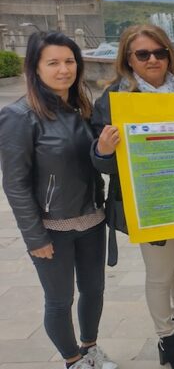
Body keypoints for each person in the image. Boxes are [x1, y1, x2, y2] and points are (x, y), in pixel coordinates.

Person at [91, 24, 174, 369]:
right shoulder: (114, 101)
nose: (153, 59)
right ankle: (166, 337)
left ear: (169, 55)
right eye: (143, 54)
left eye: (160, 52)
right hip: (149, 201)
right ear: (128, 60)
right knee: (160, 272)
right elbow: (99, 159)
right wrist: (104, 150)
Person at [0, 31, 117, 369]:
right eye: (53, 62)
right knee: (59, 300)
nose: (64, 69)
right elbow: (15, 184)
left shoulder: (80, 108)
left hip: (91, 220)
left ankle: (90, 347)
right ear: (35, 68)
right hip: (53, 228)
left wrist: (106, 152)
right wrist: (35, 237)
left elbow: (99, 162)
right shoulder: (19, 116)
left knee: (94, 291)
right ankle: (72, 360)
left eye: (69, 61)